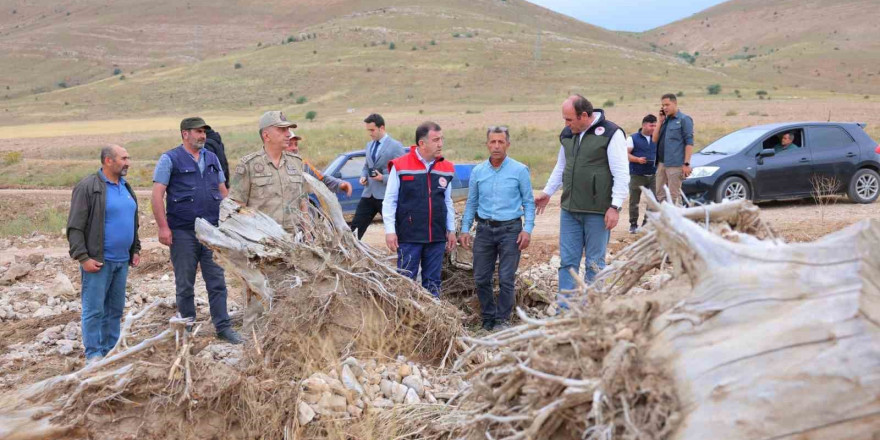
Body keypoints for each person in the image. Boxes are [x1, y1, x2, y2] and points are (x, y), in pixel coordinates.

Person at [151, 117, 242, 344]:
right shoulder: (169, 159)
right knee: (185, 283)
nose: (202, 136)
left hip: (211, 231)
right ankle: (187, 328)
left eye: (204, 132)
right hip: (183, 232)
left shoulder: (211, 158)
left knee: (217, 281)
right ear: (185, 134)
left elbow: (223, 192)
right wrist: (163, 227)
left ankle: (223, 327)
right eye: (198, 132)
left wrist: (231, 223)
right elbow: (156, 195)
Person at [534, 95, 629, 295]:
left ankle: (591, 310)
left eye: (569, 119)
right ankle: (565, 309)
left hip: (598, 211)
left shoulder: (611, 133)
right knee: (567, 262)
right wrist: (547, 192)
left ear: (584, 115)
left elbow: (621, 173)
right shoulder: (568, 134)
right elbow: (562, 166)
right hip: (570, 210)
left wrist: (615, 207)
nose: (566, 124)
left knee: (595, 263)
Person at [67, 145, 141, 363]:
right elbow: (75, 227)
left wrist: (135, 249)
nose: (128, 162)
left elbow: (133, 223)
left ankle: (111, 349)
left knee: (115, 310)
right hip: (98, 262)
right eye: (124, 158)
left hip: (122, 262)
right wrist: (83, 258)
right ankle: (94, 354)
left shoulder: (126, 187)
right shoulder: (88, 187)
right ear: (108, 161)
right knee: (94, 310)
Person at [459, 126, 535, 331]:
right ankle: (488, 318)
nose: (496, 146)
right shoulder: (478, 171)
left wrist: (527, 229)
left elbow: (529, 203)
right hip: (484, 229)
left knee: (506, 277)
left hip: (511, 230)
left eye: (501, 142)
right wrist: (465, 229)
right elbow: (472, 202)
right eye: (492, 142)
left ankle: (502, 320)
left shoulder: (519, 170)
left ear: (508, 144)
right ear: (487, 145)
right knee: (481, 277)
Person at [382, 121, 457, 297]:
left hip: (436, 237)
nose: (440, 144)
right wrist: (390, 231)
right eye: (436, 140)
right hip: (409, 236)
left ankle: (433, 321)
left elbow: (448, 201)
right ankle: (405, 320)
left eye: (441, 139)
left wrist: (451, 229)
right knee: (405, 280)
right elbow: (390, 200)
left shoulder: (447, 168)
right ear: (422, 143)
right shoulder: (400, 166)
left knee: (433, 281)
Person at [229, 111, 309, 232]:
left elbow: (303, 203)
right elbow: (238, 206)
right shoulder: (248, 165)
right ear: (266, 136)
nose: (288, 134)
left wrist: (308, 235)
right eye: (282, 130)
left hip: (295, 239)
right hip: (263, 241)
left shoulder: (296, 162)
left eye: (288, 129)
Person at [351, 113, 406, 239]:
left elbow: (403, 172)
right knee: (355, 227)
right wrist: (363, 176)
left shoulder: (395, 146)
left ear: (382, 128)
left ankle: (405, 255)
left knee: (397, 228)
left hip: (386, 195)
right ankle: (348, 255)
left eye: (372, 130)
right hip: (368, 193)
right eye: (368, 130)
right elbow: (366, 166)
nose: (370, 133)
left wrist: (383, 178)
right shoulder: (369, 145)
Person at [653, 93, 694, 206]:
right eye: (663, 105)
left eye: (667, 105)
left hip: (675, 165)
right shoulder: (665, 121)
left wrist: (686, 163)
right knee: (660, 194)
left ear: (675, 103)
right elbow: (654, 139)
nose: (665, 108)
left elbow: (689, 143)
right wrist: (660, 121)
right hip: (661, 163)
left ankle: (677, 221)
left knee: (674, 196)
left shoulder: (684, 119)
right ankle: (666, 221)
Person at [284, 130, 352, 197]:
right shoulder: (274, 167)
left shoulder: (304, 165)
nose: (294, 148)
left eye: (296, 144)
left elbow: (322, 178)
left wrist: (340, 184)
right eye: (289, 144)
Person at [627, 114, 658, 233]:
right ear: (644, 125)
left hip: (653, 174)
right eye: (651, 125)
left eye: (655, 125)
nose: (654, 128)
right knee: (634, 200)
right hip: (637, 174)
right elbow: (626, 154)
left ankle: (646, 223)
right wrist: (637, 160)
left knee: (653, 200)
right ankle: (633, 224)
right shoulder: (632, 138)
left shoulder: (657, 138)